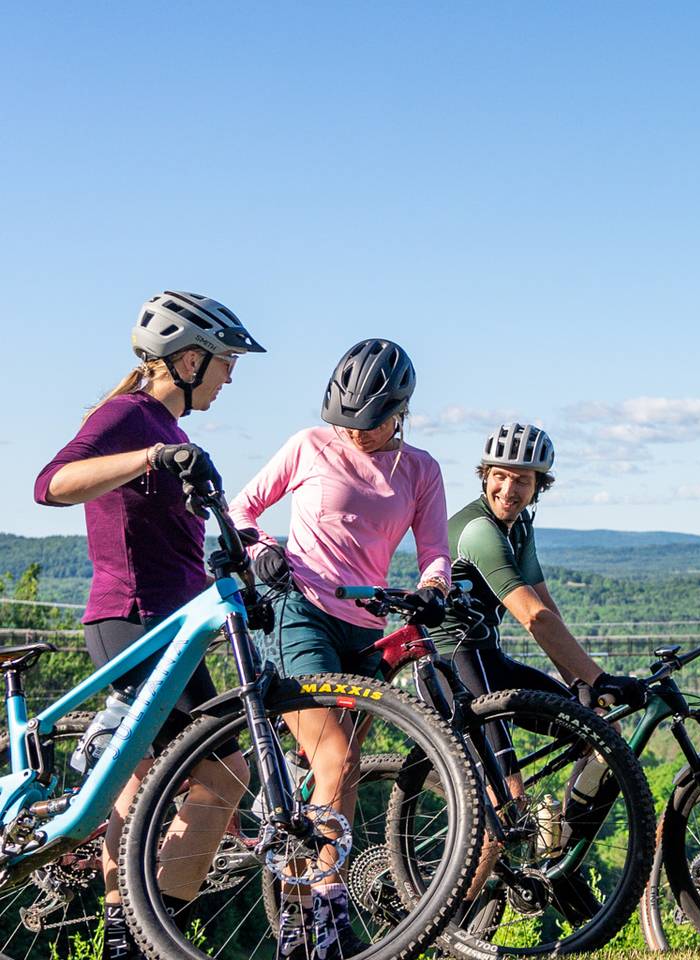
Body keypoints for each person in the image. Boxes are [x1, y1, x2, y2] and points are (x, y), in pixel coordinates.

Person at [32, 291, 264, 960]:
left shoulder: (174, 434)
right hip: (133, 617)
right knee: (219, 773)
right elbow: (51, 484)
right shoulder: (129, 416)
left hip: (171, 625)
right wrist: (149, 458)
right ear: (189, 360)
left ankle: (135, 934)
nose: (230, 377)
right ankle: (144, 933)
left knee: (148, 778)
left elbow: (183, 546)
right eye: (225, 362)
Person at [229, 338, 450, 960]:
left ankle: (313, 914)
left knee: (341, 771)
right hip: (299, 611)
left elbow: (435, 552)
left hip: (367, 630)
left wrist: (433, 588)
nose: (354, 434)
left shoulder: (420, 470)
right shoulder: (309, 445)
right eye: (344, 421)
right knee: (336, 758)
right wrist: (260, 548)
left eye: (370, 423)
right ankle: (319, 914)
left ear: (399, 412)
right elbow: (241, 508)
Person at [447, 421, 645, 701]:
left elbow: (545, 606)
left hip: (489, 656)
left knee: (585, 720)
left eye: (521, 481)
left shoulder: (520, 524)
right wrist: (600, 679)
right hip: (452, 662)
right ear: (485, 476)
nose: (508, 490)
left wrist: (580, 683)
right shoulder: (480, 530)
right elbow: (533, 617)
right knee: (497, 734)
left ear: (537, 488)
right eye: (500, 476)